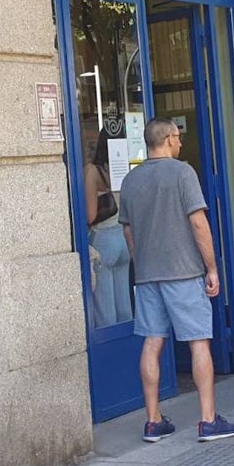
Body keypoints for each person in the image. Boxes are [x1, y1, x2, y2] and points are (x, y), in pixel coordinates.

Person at [119, 117, 234, 443]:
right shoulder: (183, 173)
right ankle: (208, 419)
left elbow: (127, 229)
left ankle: (153, 420)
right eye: (178, 136)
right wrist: (212, 268)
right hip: (184, 271)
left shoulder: (130, 180)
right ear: (170, 139)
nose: (181, 142)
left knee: (152, 341)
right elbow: (198, 223)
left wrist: (140, 260)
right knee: (198, 340)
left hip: (148, 274)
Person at [85, 130, 132, 327]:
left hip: (103, 241)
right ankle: (128, 351)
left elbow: (90, 215)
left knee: (105, 310)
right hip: (124, 239)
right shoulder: (127, 166)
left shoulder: (93, 171)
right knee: (124, 305)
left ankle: (111, 355)